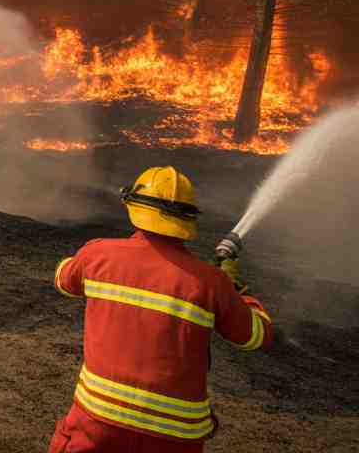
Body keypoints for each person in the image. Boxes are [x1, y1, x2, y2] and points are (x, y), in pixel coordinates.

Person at [48, 166, 274, 452]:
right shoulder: (212, 283)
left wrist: (87, 260)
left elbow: (63, 278)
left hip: (97, 423)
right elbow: (256, 336)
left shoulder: (98, 255)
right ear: (188, 220)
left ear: (134, 208)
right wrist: (238, 290)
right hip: (175, 438)